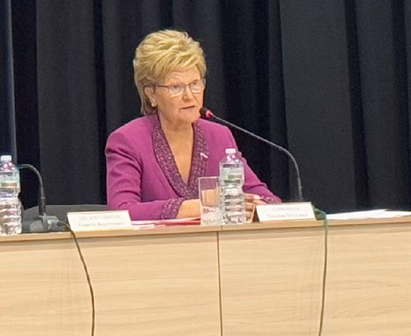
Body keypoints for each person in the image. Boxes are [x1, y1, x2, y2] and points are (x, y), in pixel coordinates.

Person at [105, 29, 280, 221]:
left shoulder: (219, 136)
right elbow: (121, 211)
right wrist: (202, 205)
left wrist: (258, 206)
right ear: (151, 94)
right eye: (176, 87)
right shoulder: (128, 141)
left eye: (195, 84)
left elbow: (267, 199)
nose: (189, 96)